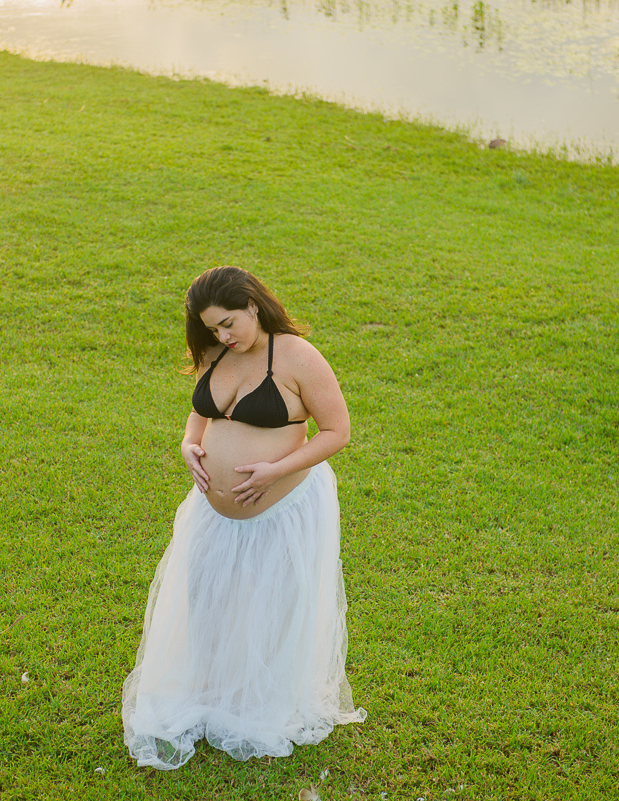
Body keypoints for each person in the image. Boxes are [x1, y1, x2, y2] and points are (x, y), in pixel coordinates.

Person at [121, 266, 367, 770]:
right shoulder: (218, 353)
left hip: (282, 507)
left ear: (254, 305)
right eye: (213, 329)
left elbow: (336, 431)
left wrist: (275, 469)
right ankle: (211, 693)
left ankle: (257, 704)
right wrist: (189, 444)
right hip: (213, 510)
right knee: (206, 599)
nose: (223, 337)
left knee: (267, 606)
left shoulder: (298, 356)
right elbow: (204, 412)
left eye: (229, 323)